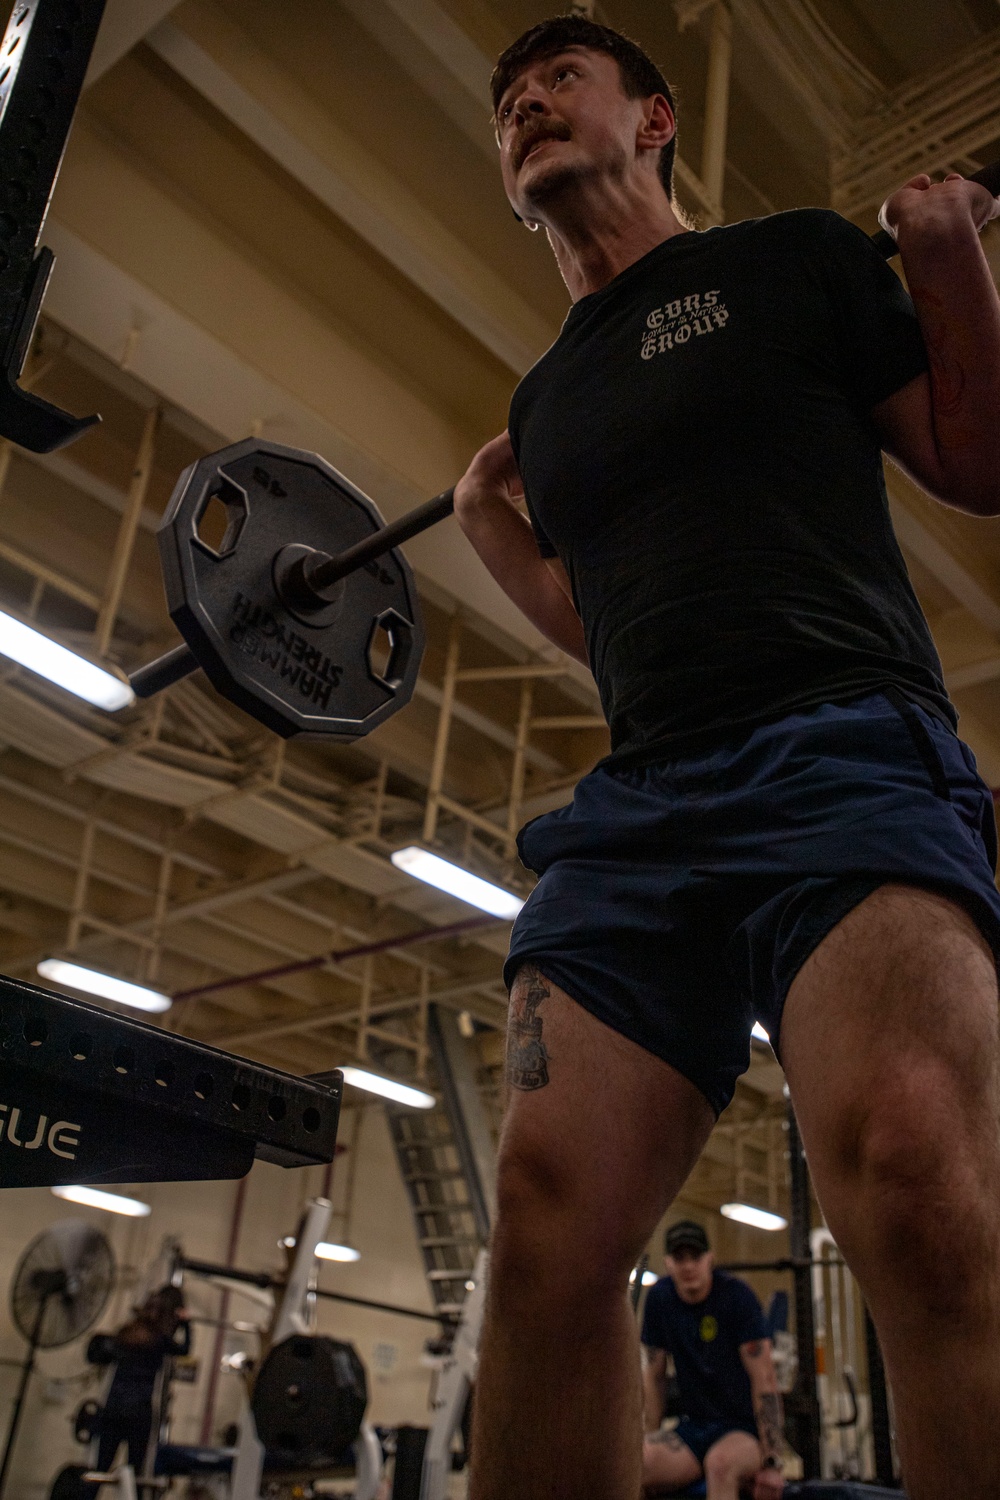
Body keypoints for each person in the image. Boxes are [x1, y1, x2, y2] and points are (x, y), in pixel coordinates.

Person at [451, 15, 1000, 1500]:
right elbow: (612, 624)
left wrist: (947, 255)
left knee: (914, 1172)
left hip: (840, 744)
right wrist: (491, 524)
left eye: (559, 81)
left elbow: (979, 456)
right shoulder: (546, 399)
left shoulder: (790, 264)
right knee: (544, 1215)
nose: (526, 106)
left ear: (655, 117)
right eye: (507, 100)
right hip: (646, 804)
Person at [640, 1222, 781, 1499]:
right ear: (668, 1263)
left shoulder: (736, 1296)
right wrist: (649, 1433)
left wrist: (772, 1461)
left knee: (720, 1465)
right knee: (635, 1462)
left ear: (710, 1258)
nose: (688, 1266)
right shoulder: (660, 1299)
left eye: (696, 1257)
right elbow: (653, 1378)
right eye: (680, 1258)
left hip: (743, 1429)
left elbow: (764, 1378)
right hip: (694, 1428)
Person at [95, 1286, 190, 1474]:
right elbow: (185, 1349)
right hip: (139, 1412)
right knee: (134, 1475)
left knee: (100, 1469)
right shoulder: (159, 1340)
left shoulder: (124, 1334)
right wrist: (186, 1324)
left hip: (114, 1407)